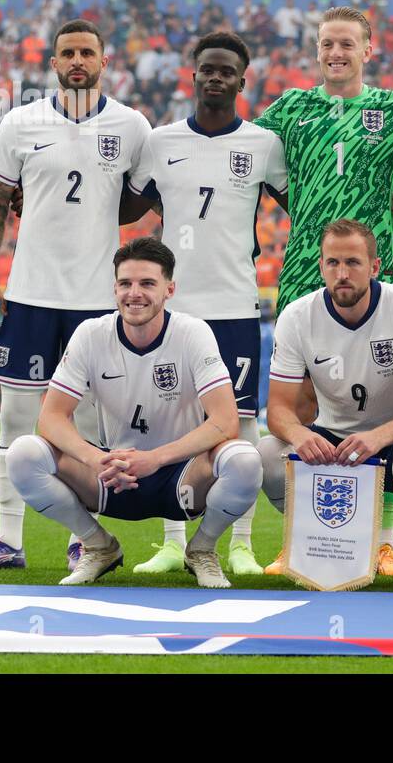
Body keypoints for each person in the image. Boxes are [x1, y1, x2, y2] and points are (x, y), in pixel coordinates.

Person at [0, 19, 150, 571]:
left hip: (97, 301)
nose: (77, 61)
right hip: (29, 294)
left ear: (104, 61)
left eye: (86, 53)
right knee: (16, 420)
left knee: (87, 426)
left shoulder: (132, 126)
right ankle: (8, 542)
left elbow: (137, 202)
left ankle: (84, 541)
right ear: (52, 62)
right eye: (67, 52)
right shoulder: (20, 123)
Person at [254, 6, 393, 578]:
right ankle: (299, 540)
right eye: (327, 43)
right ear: (317, 48)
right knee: (301, 409)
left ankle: (383, 540)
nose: (336, 53)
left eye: (347, 44)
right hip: (305, 269)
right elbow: (246, 163)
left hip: (376, 275)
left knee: (388, 400)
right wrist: (306, 214)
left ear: (368, 48)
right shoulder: (288, 108)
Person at [4, 237, 263, 589]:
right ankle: (97, 544)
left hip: (183, 476)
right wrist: (95, 459)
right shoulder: (91, 334)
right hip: (113, 475)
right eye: (125, 283)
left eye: (147, 284)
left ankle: (201, 549)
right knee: (22, 454)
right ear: (114, 288)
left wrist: (155, 459)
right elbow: (50, 417)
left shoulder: (192, 333)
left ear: (169, 289)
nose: (134, 293)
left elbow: (225, 421)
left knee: (247, 459)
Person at [123, 31, 288, 576]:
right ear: (192, 75)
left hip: (236, 305)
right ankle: (173, 541)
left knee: (239, 425)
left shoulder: (264, 144)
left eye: (227, 71)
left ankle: (238, 543)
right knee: (174, 424)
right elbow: (126, 204)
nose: (216, 78)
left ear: (243, 81)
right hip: (174, 308)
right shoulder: (160, 141)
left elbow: (302, 201)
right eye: (207, 69)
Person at [256, 220, 393, 590]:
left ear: (375, 267)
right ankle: (308, 545)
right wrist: (300, 436)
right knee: (267, 453)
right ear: (321, 266)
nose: (342, 273)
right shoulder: (296, 317)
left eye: (352, 262)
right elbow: (279, 411)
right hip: (330, 442)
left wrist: (377, 437)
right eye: (332, 263)